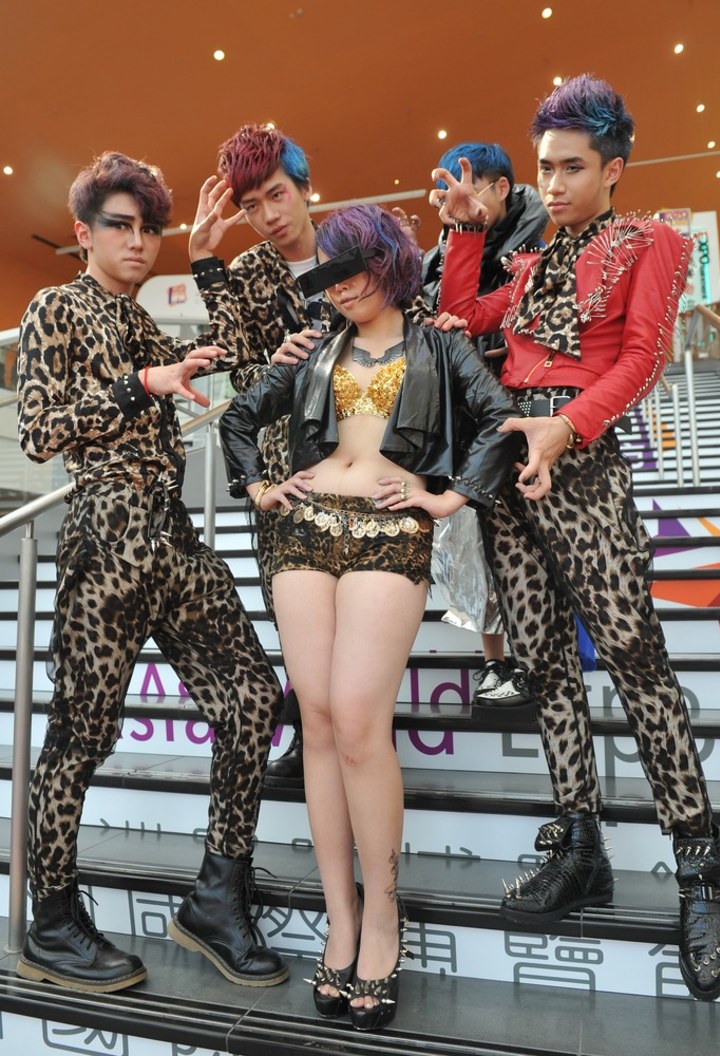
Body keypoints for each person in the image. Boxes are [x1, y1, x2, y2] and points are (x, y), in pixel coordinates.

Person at [434, 74, 720, 1002]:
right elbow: (464, 318)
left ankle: (700, 872)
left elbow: (645, 355)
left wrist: (573, 425)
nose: (554, 184)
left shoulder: (646, 241)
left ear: (614, 169)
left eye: (571, 167)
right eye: (544, 168)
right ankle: (580, 845)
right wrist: (465, 228)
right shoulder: (530, 260)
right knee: (542, 666)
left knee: (637, 663)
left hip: (583, 461)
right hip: (509, 470)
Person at [219, 204, 522, 1029]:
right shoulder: (315, 349)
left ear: (390, 262)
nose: (339, 285)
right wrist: (257, 485)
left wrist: (446, 496)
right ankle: (341, 921)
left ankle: (384, 915)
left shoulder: (440, 342)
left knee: (358, 720)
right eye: (328, 272)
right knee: (315, 722)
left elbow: (499, 421)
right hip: (302, 534)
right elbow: (240, 417)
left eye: (350, 267)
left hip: (393, 532)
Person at [15, 152, 288, 993]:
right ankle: (52, 919)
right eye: (121, 226)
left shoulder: (142, 321)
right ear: (84, 233)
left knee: (251, 698)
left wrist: (208, 254)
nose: (139, 242)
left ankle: (216, 893)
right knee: (82, 736)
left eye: (151, 228)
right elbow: (37, 431)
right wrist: (143, 385)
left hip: (171, 536)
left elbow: (250, 354)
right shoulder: (55, 306)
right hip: (106, 535)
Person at [188, 123, 335, 792]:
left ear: (305, 187)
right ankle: (308, 734)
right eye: (250, 207)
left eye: (276, 195)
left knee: (355, 615)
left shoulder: (359, 250)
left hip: (361, 467)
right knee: (294, 616)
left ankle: (351, 733)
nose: (268, 216)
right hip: (281, 474)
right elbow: (239, 376)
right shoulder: (247, 273)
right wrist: (204, 264)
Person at [422, 142, 548, 708]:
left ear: (501, 188)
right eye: (451, 191)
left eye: (470, 189)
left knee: (529, 543)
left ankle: (536, 657)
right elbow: (451, 316)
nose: (459, 201)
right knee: (476, 539)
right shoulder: (446, 245)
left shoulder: (543, 242)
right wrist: (457, 235)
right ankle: (497, 661)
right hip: (472, 413)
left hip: (533, 409)